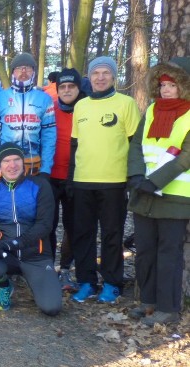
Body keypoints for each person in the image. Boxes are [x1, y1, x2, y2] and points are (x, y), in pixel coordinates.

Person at [68, 57, 140, 304]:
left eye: (105, 73)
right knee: (83, 234)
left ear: (113, 77)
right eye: (95, 73)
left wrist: (132, 178)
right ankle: (86, 282)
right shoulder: (81, 106)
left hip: (114, 181)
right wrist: (70, 178)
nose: (100, 77)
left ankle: (111, 283)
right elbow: (75, 144)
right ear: (89, 76)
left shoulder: (126, 104)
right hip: (83, 181)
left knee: (112, 234)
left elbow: (135, 144)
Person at [126, 57, 190, 326]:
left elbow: (185, 157)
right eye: (162, 84)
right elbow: (137, 146)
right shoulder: (151, 110)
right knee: (145, 252)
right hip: (145, 194)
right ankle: (149, 302)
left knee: (169, 255)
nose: (166, 90)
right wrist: (137, 176)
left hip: (175, 197)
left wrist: (156, 182)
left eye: (172, 85)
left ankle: (169, 309)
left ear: (183, 87)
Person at [0, 143, 62, 315]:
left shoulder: (40, 186)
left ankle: (37, 281)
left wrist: (15, 243)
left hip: (36, 256)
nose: (12, 165)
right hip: (5, 256)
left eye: (16, 160)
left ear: (24, 163)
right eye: (6, 161)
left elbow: (45, 225)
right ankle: (5, 286)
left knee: (51, 308)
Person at [0, 52, 56, 180]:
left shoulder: (44, 99)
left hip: (34, 168)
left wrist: (46, 169)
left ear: (33, 71)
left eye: (28, 67)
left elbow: (49, 136)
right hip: (5, 168)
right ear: (12, 72)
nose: (23, 71)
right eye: (18, 68)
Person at [49, 68, 87, 291]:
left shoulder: (86, 109)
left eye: (71, 86)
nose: (66, 90)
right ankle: (47, 268)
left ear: (78, 88)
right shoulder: (50, 109)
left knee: (73, 227)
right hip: (51, 176)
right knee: (48, 225)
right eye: (62, 87)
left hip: (77, 177)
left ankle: (65, 270)